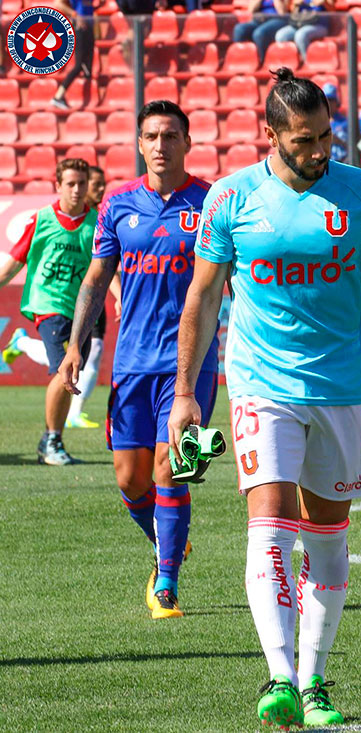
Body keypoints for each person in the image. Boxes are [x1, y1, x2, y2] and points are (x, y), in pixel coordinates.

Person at [168, 69, 361, 728]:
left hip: (343, 385)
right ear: (272, 135)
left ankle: (316, 678)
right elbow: (202, 297)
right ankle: (280, 675)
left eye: (325, 137)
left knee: (329, 539)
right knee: (270, 519)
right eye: (304, 140)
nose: (319, 151)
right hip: (262, 380)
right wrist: (184, 392)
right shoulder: (231, 199)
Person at [56, 102, 214, 620]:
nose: (161, 145)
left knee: (174, 469)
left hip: (191, 366)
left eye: (171, 135)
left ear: (187, 142)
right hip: (132, 363)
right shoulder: (118, 205)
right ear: (140, 145)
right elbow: (97, 278)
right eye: (152, 136)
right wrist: (76, 345)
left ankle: (165, 580)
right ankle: (169, 540)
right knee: (129, 478)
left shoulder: (212, 202)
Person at [0, 158, 94, 465]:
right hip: (48, 305)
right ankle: (51, 441)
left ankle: (22, 345)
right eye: (71, 183)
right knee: (64, 369)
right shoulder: (41, 220)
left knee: (71, 370)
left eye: (82, 183)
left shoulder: (95, 222)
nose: (77, 189)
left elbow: (105, 269)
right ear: (58, 186)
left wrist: (119, 297)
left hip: (79, 310)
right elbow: (15, 261)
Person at [65, 165, 117, 429]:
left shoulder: (100, 217)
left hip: (95, 296)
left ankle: (75, 410)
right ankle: (24, 344)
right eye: (95, 184)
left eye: (101, 184)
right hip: (75, 297)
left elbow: (111, 266)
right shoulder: (78, 222)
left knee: (92, 350)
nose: (100, 189)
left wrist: (119, 294)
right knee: (77, 352)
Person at [323, 83, 361, 173]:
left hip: (344, 166)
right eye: (326, 100)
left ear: (336, 101)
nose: (328, 103)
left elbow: (359, 146)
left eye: (331, 100)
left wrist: (341, 142)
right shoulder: (318, 124)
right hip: (325, 168)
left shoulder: (347, 123)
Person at [50, 0, 94, 111]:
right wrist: (75, 14)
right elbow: (58, 4)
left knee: (87, 69)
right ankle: (58, 96)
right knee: (79, 65)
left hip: (89, 27)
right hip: (80, 27)